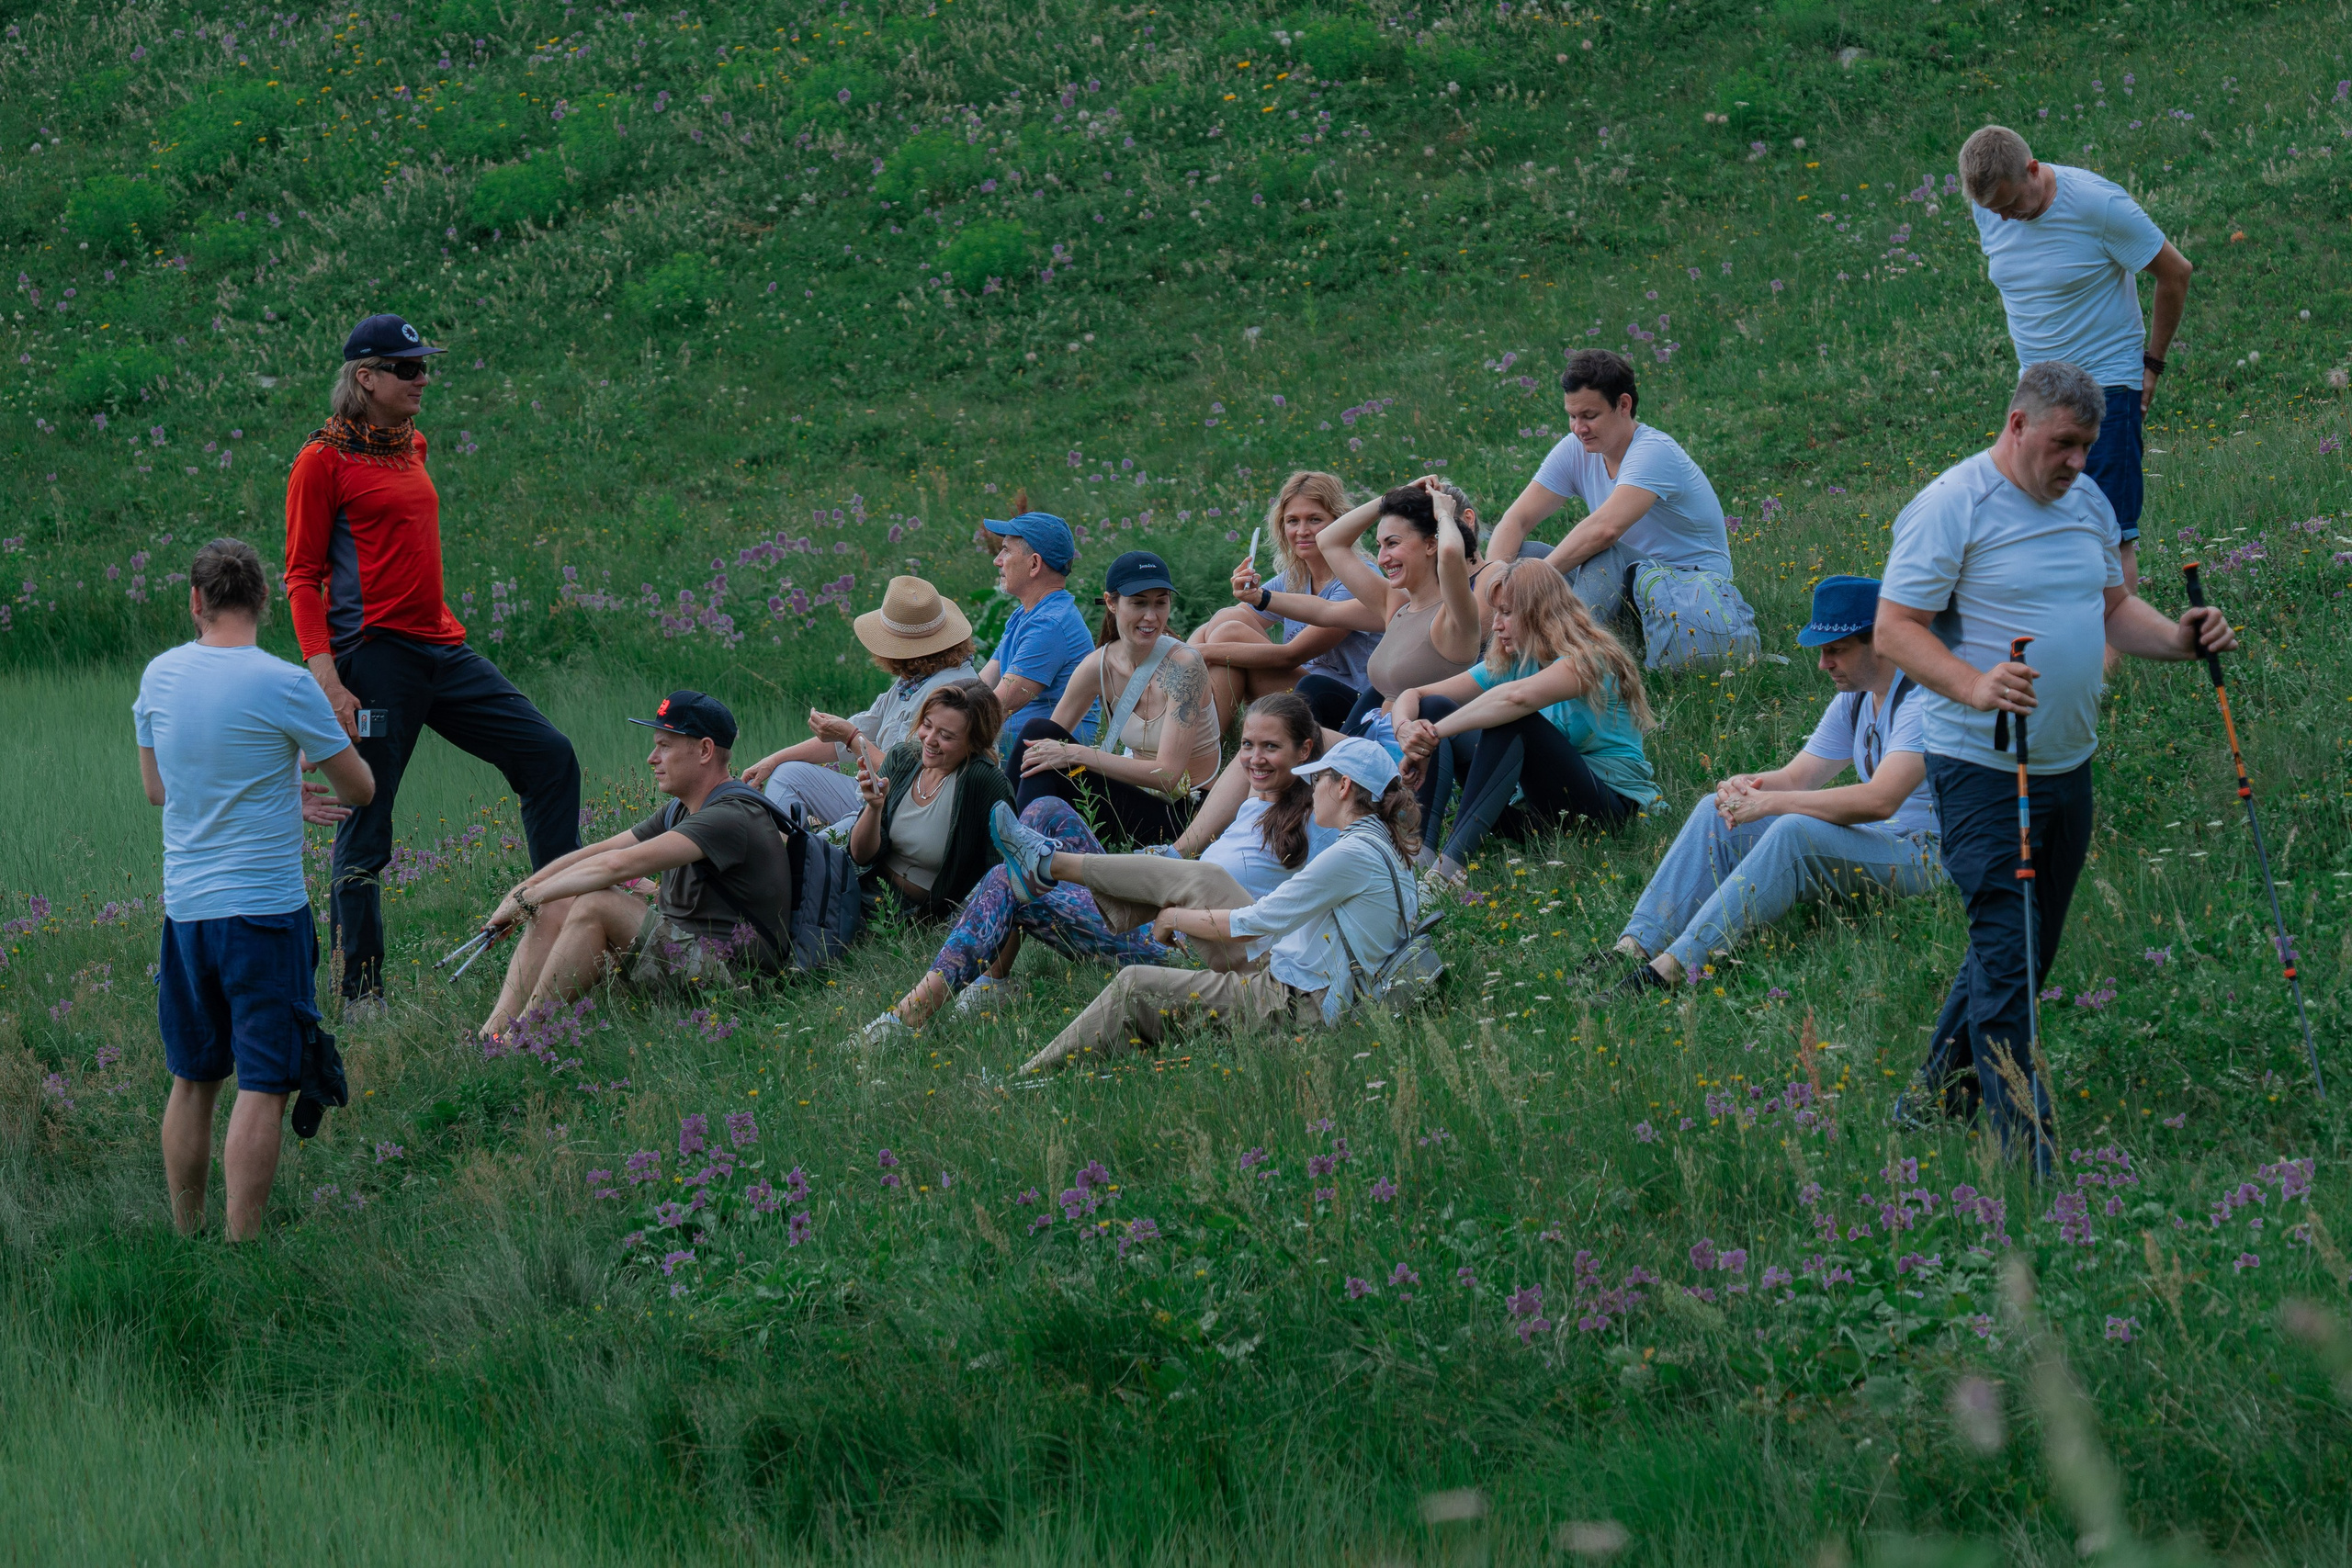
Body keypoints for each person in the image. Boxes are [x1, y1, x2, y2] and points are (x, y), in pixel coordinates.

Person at [1874, 363, 2235, 1174]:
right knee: (2008, 954)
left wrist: (2181, 639)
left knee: (2025, 951)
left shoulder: (2088, 504)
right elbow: (1895, 628)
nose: (2075, 461)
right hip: (1981, 769)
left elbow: (2111, 607)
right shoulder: (1951, 506)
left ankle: (1933, 1095)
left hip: (2069, 764)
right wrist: (1976, 685)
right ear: (2016, 425)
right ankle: (2028, 1162)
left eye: (2086, 446)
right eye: (2062, 444)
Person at [285, 312, 581, 1001]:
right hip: (375, 659)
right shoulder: (322, 460)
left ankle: (564, 918)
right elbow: (302, 576)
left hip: (442, 648)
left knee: (548, 756)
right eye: (408, 367)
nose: (424, 378)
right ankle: (360, 996)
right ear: (366, 378)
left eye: (425, 365)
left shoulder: (411, 444)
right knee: (369, 818)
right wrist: (326, 679)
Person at [852, 692, 1332, 1045]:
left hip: (1185, 943)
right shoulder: (1253, 794)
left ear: (1306, 751)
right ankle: (994, 974)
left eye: (1271, 747)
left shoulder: (1321, 819)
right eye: (1247, 744)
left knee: (1010, 880)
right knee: (1044, 814)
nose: (1253, 758)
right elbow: (1206, 832)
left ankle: (904, 1019)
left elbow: (1373, 778)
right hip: (1162, 898)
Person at [136, 538, 377, 1242]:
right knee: (265, 1081)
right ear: (263, 602)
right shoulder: (284, 683)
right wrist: (307, 761)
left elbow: (158, 790)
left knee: (193, 1078)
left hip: (186, 913)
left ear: (196, 602)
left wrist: (274, 790)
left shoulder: (159, 676)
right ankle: (243, 1249)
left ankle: (188, 1233)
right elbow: (358, 788)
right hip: (265, 913)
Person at [1598, 575, 1941, 993]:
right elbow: (1799, 777)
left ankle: (1674, 967)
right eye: (1821, 651)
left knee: (1794, 829)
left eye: (1836, 651)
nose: (1823, 663)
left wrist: (1771, 805)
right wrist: (1747, 788)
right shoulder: (1856, 698)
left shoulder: (1924, 700)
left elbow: (1880, 800)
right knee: (1712, 807)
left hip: (1928, 854)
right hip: (1884, 841)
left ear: (1881, 641)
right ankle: (1634, 945)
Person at [1019, 737, 1422, 1074]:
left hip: (1302, 1003)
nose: (1311, 790)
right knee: (1207, 876)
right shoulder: (1381, 842)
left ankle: (1027, 1080)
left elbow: (1259, 921)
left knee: (1134, 985)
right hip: (1312, 973)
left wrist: (1174, 917)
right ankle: (1049, 864)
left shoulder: (1351, 855)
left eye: (1317, 780)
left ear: (1344, 786)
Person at [1958, 124, 2194, 622]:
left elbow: (2176, 272)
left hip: (2105, 386)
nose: (2002, 218)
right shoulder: (1990, 206)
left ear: (2033, 169)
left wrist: (2151, 364)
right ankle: (2061, 639)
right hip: (2037, 391)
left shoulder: (2098, 207)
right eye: (1991, 210)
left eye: (2010, 204)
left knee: (2109, 531)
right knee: (2034, 517)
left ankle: (2108, 665)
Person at [474, 691, 791, 1037]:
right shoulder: (682, 808)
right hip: (688, 951)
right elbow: (595, 852)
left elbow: (614, 865)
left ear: (704, 750)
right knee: (560, 899)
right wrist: (523, 891)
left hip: (733, 982)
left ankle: (520, 1042)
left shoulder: (729, 816)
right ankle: (491, 1034)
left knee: (597, 902)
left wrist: (527, 900)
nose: (651, 758)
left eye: (665, 746)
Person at [1394, 557, 1662, 888]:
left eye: (1506, 613)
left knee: (1514, 721)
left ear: (1539, 612)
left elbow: (1517, 700)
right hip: (1538, 816)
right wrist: (1407, 730)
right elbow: (1415, 694)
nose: (1495, 625)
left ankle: (1444, 876)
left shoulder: (1591, 659)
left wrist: (1432, 735)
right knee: (1435, 706)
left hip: (1606, 811)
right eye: (1497, 614)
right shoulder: (1515, 663)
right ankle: (1417, 859)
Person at [1487, 349, 1758, 668]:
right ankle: (1499, 656)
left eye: (1589, 416)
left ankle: (1568, 664)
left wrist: (1536, 583)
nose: (1578, 427)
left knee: (1602, 551)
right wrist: (1493, 596)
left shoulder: (1653, 452)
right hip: (1629, 593)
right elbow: (1516, 519)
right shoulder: (1577, 449)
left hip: (1688, 596)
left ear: (1624, 405)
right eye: (1572, 416)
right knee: (1524, 555)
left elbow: (1605, 530)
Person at [1007, 550, 1223, 847]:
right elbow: (1045, 745)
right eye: (1138, 603)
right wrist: (1057, 753)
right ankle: (1010, 845)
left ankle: (1019, 857)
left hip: (1187, 817)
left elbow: (1168, 776)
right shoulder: (1098, 665)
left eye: (1161, 602)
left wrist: (1075, 754)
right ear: (1111, 602)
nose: (1151, 616)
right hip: (1137, 801)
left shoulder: (1185, 666)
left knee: (1051, 755)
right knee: (1037, 735)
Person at [1262, 479, 1490, 746]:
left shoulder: (1455, 615)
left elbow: (1451, 551)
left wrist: (1442, 513)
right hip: (1376, 742)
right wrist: (1391, 496)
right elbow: (1330, 542)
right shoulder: (1396, 606)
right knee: (1289, 722)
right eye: (1380, 545)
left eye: (1392, 544)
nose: (1381, 558)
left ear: (1431, 545)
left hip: (1423, 751)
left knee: (1284, 738)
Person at [742, 575, 977, 828]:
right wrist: (773, 760)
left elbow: (909, 776)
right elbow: (855, 734)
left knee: (817, 851)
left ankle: (797, 854)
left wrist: (851, 737)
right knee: (786, 774)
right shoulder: (917, 678)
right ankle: (790, 849)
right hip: (875, 800)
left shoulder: (950, 695)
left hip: (906, 816)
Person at [1190, 470, 1384, 731]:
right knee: (1227, 620)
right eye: (1292, 521)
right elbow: (1226, 620)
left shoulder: (1358, 577)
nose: (1302, 531)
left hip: (1346, 705)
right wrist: (1184, 654)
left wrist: (1194, 654)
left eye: (1314, 519)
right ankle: (1201, 736)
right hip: (1304, 689)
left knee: (1229, 634)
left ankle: (1206, 743)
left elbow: (1290, 657)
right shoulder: (1295, 577)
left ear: (1339, 523)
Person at [848, 679, 1017, 919]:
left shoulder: (984, 782)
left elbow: (1002, 872)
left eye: (946, 736)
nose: (929, 740)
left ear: (975, 742)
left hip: (909, 912)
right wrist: (874, 809)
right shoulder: (903, 758)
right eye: (927, 725)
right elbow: (860, 856)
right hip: (861, 884)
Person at [974, 511, 1096, 762]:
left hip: (1051, 768)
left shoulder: (1049, 624)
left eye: (1006, 550)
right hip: (1022, 756)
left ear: (1034, 564)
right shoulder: (1026, 614)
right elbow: (981, 684)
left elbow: (995, 707)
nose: (997, 560)